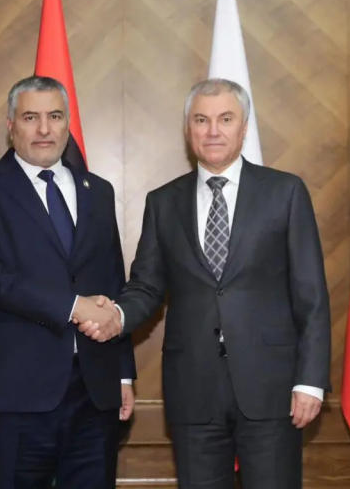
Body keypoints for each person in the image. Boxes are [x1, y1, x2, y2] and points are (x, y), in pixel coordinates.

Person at [75, 78, 331, 489]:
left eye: (225, 119)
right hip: (192, 388)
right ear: (188, 129)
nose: (213, 131)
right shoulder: (163, 202)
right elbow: (146, 286)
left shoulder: (284, 192)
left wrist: (310, 380)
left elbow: (311, 296)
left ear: (243, 127)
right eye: (201, 120)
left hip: (272, 388)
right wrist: (117, 316)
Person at [0, 75, 136, 489]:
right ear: (11, 125)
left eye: (54, 116)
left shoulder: (98, 191)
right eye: (30, 117)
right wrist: (73, 306)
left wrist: (123, 374)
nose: (43, 129)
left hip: (95, 391)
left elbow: (113, 282)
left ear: (67, 123)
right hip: (17, 392)